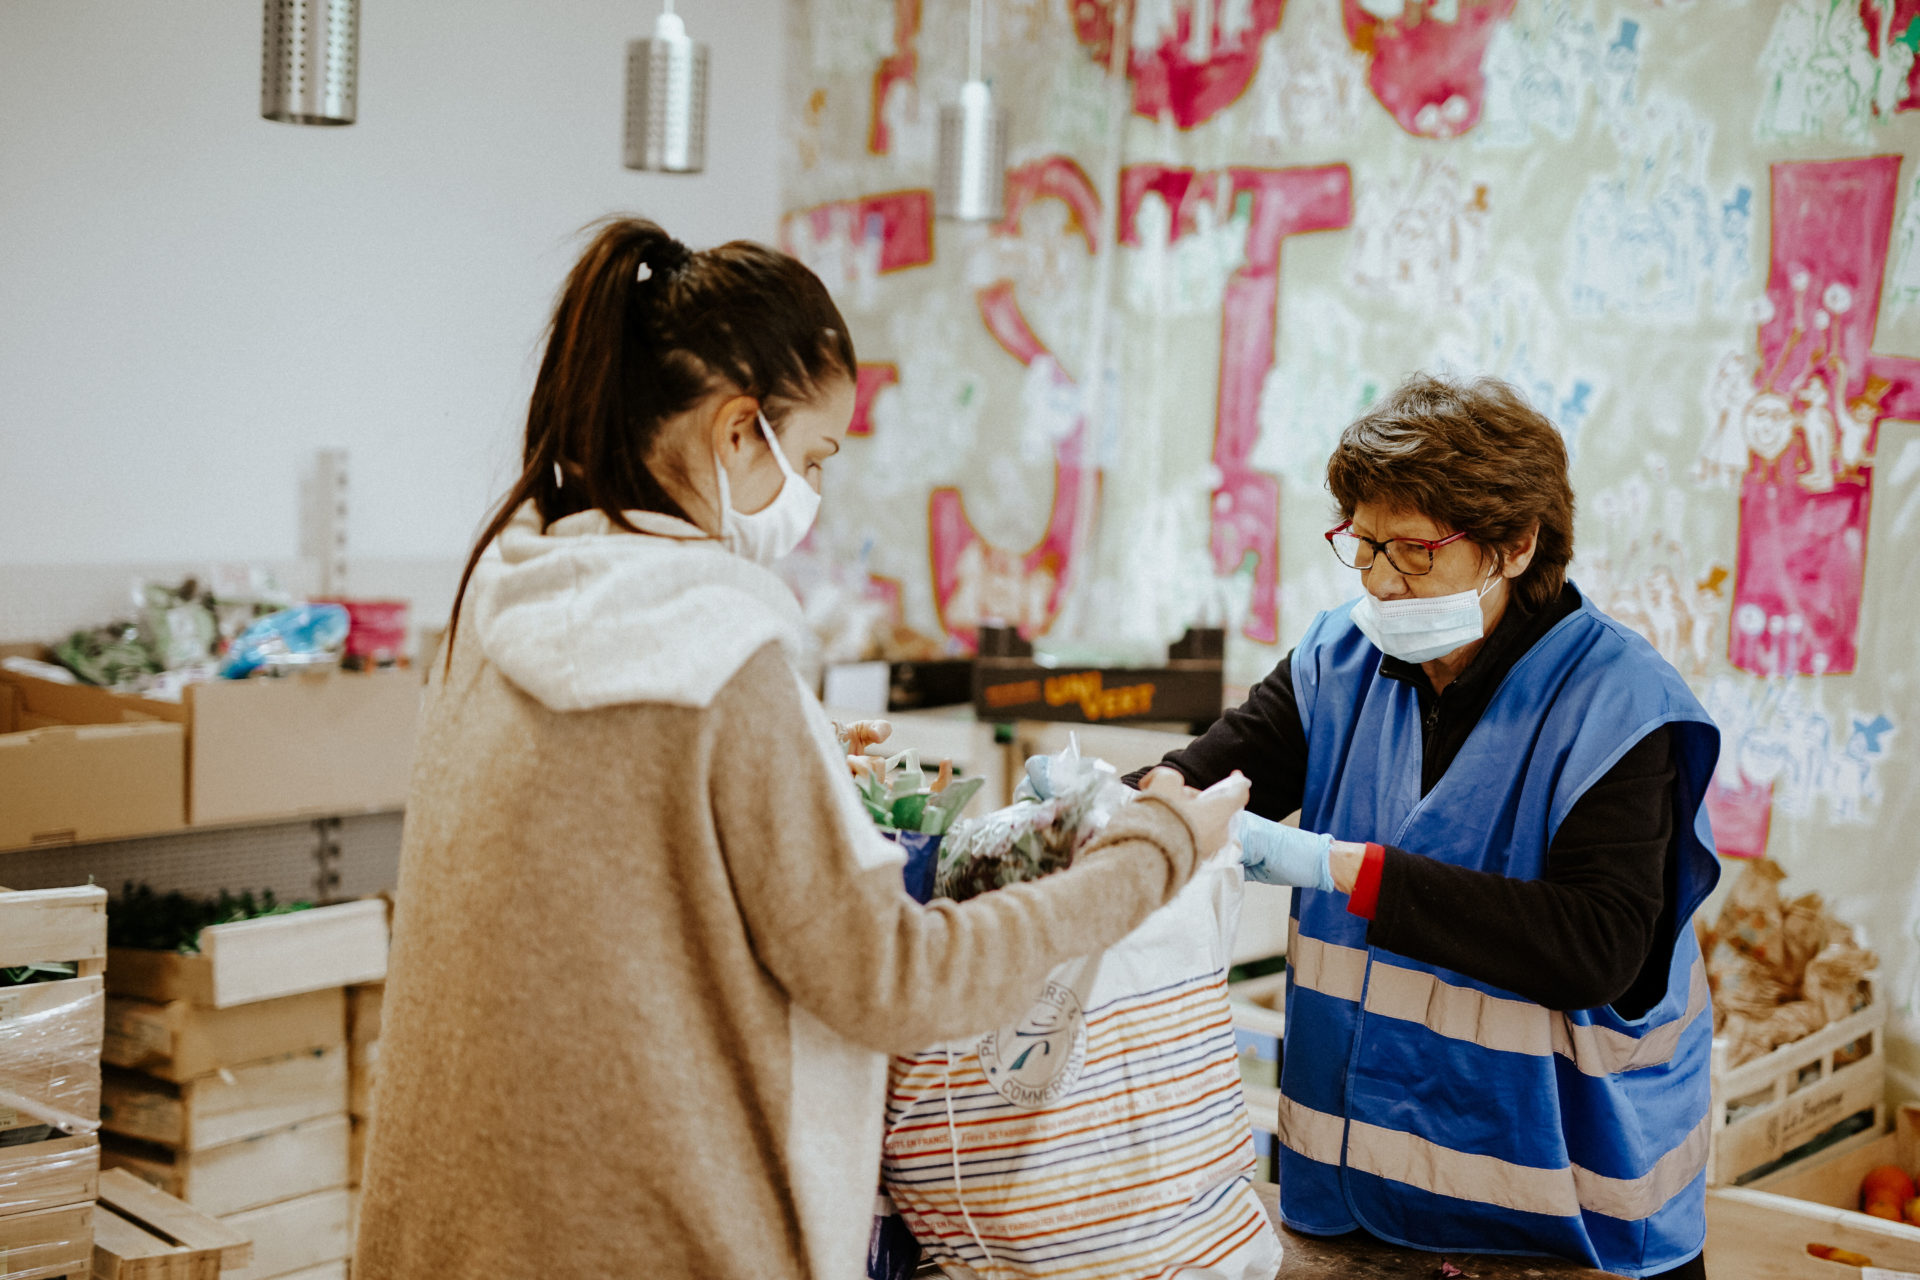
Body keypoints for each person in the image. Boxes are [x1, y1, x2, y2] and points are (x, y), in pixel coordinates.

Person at [352, 219, 1249, 1280]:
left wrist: (802, 750)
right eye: (814, 455)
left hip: (455, 1227)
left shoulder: (498, 608)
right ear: (740, 433)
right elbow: (898, 980)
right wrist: (1149, 853)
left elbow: (620, 854)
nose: (814, 495)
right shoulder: (718, 650)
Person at [1125, 374, 1720, 1280]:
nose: (1380, 582)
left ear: (1516, 546)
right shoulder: (1341, 660)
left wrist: (1346, 870)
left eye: (1413, 552)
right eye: (1361, 546)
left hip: (1569, 1223)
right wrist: (1096, 807)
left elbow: (1596, 946)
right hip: (1358, 1205)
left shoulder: (1620, 705)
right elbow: (1210, 778)